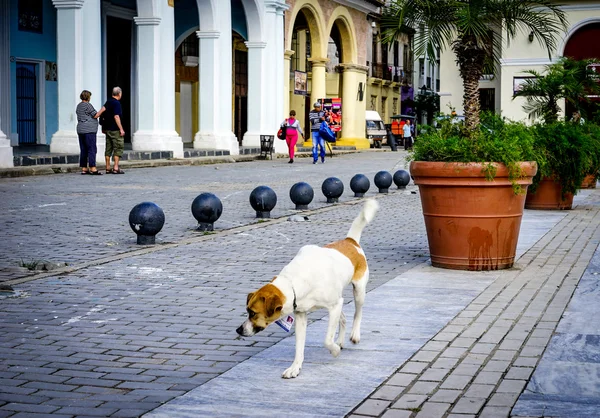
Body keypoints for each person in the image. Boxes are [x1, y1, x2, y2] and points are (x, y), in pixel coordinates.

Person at [76, 90, 104, 175]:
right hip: (89, 130)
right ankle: (93, 168)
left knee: (83, 149)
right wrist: (102, 110)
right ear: (88, 97)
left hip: (81, 129)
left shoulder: (79, 105)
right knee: (92, 149)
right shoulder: (88, 105)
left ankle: (84, 168)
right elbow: (95, 115)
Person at [102, 87, 126, 174]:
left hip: (108, 130)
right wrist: (121, 129)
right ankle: (116, 167)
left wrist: (103, 127)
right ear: (119, 93)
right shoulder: (116, 103)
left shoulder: (108, 102)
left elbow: (102, 114)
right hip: (115, 130)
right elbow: (116, 116)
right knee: (118, 148)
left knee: (108, 148)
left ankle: (108, 168)